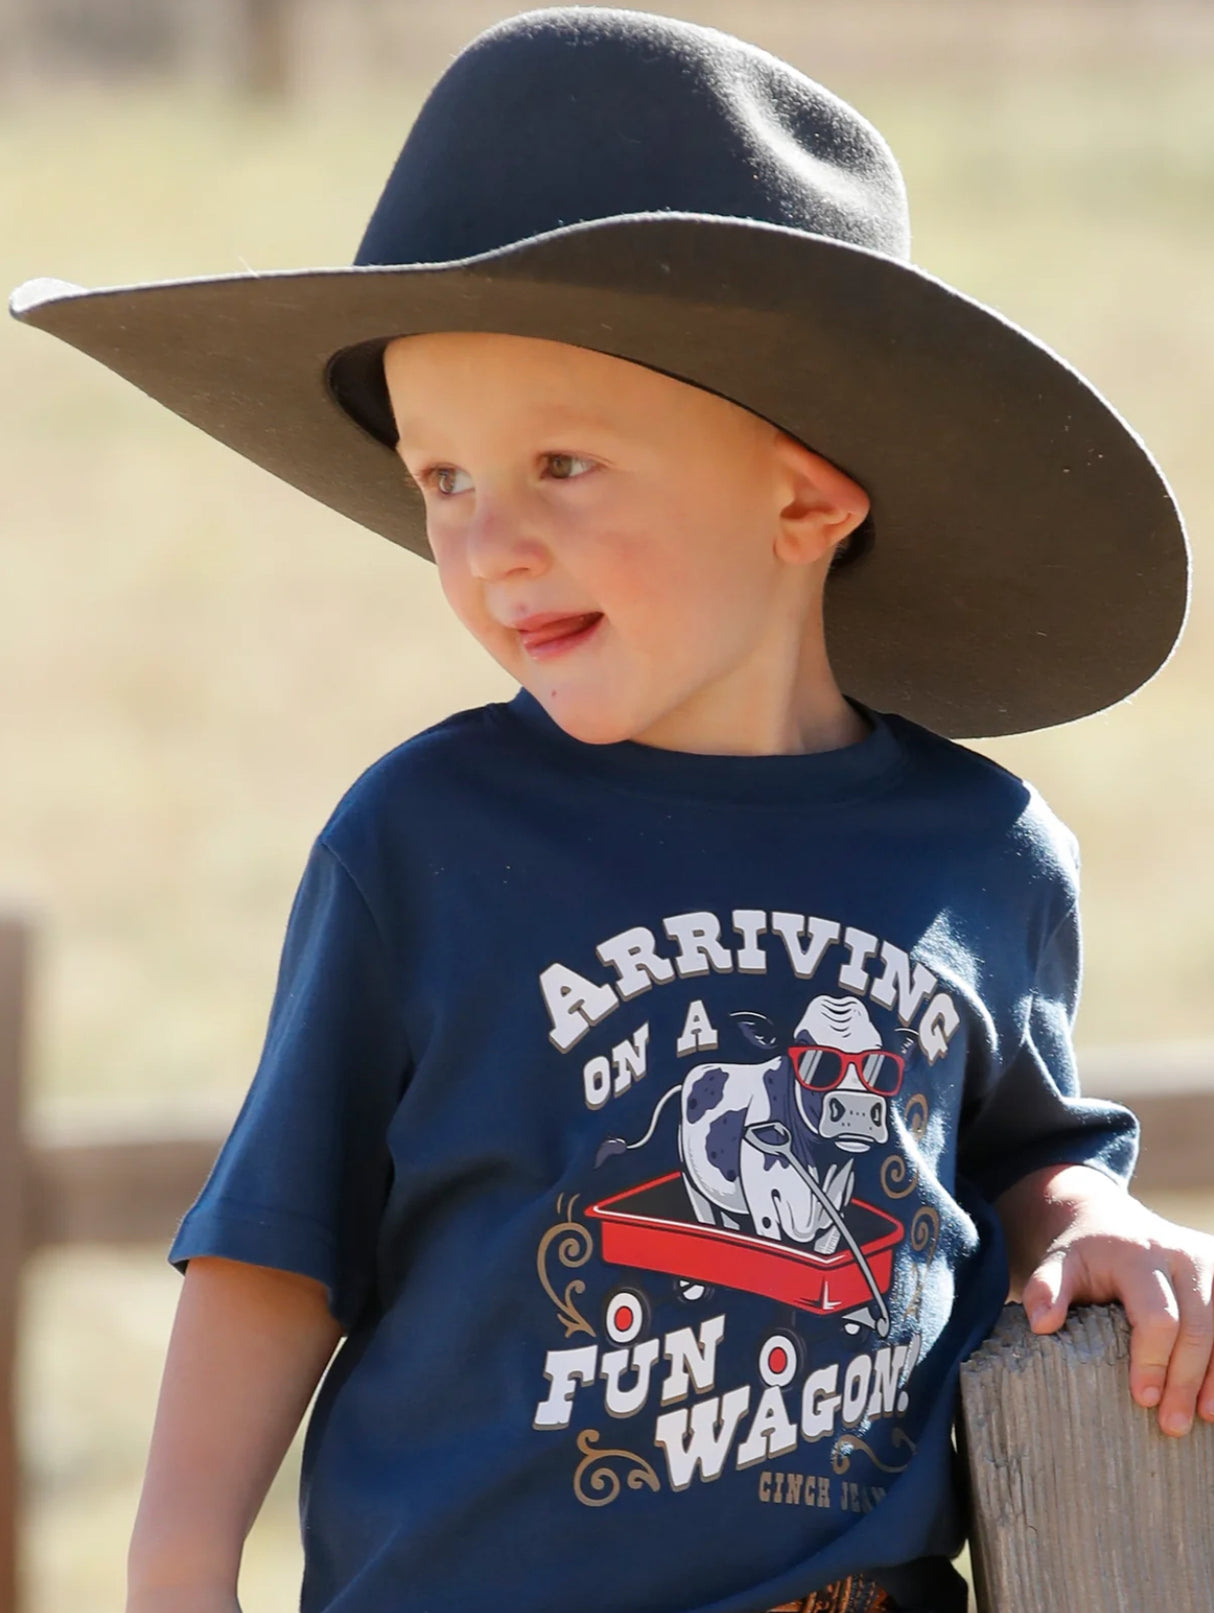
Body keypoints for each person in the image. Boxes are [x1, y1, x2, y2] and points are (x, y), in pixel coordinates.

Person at [10, 9, 1213, 1613]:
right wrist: (177, 1568)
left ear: (803, 494)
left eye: (561, 464)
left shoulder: (983, 858)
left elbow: (1023, 1154)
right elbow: (281, 1241)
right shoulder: (424, 841)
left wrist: (1092, 1216)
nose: (487, 544)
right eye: (443, 481)